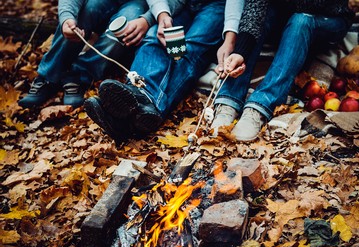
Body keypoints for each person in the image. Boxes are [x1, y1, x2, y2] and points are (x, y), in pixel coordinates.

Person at [84, 0, 244, 143]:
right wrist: (162, 15)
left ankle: (131, 114)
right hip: (179, 3)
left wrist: (230, 39)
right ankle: (139, 103)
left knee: (188, 50)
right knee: (153, 37)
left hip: (219, 6)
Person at [210, 0, 356, 142]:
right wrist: (241, 52)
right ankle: (229, 99)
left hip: (328, 16)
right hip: (285, 13)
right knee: (261, 16)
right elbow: (255, 7)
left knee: (300, 20)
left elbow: (310, 5)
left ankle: (260, 106)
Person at [18, 0, 153, 109]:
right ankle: (48, 76)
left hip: (141, 5)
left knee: (126, 27)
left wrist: (147, 19)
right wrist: (66, 18)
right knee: (83, 12)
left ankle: (78, 76)